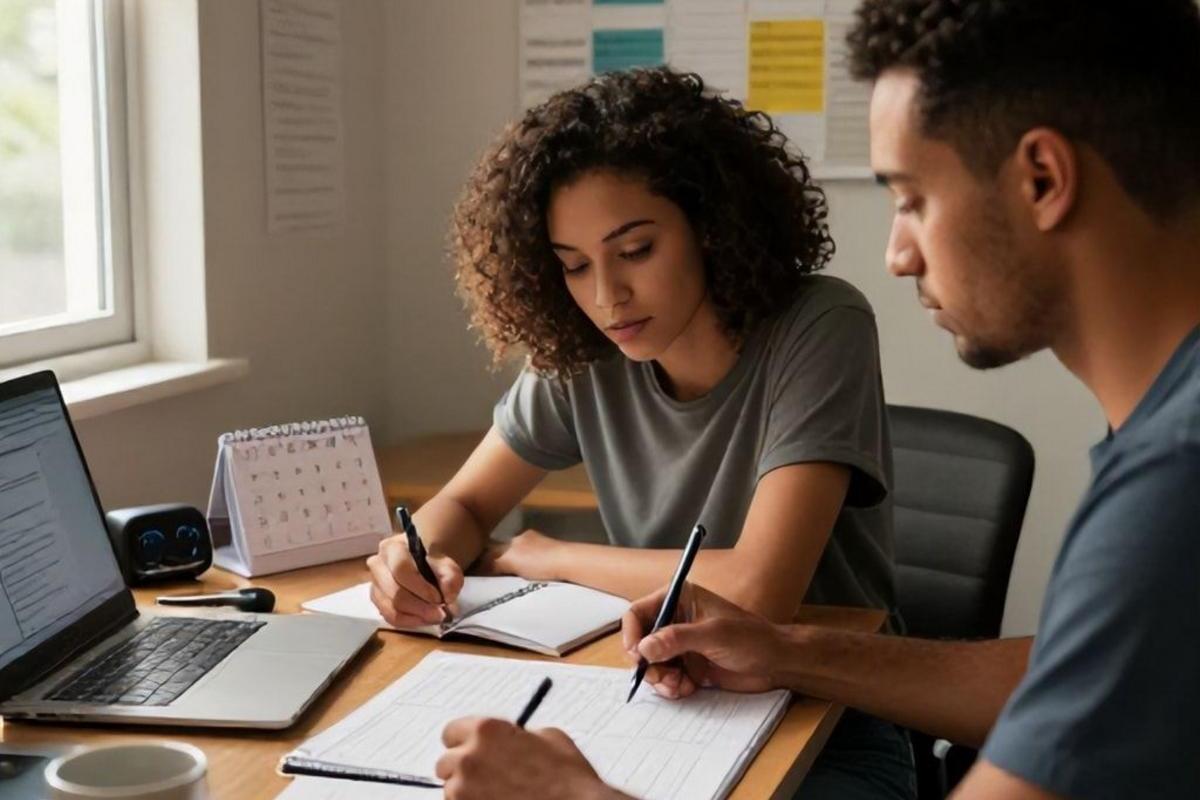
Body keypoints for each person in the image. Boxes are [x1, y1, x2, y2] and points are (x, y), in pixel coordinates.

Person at [434, 1, 1200, 798]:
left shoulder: (1174, 485)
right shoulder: (1164, 442)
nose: (898, 253)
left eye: (911, 198)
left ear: (1043, 178)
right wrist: (792, 651)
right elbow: (1081, 676)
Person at [370, 67, 912, 796]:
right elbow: (464, 508)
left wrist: (547, 554)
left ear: (711, 226)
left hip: (828, 723)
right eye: (573, 266)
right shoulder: (588, 351)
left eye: (636, 251)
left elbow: (756, 590)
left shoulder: (820, 326)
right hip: (658, 703)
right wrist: (417, 560)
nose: (606, 296)